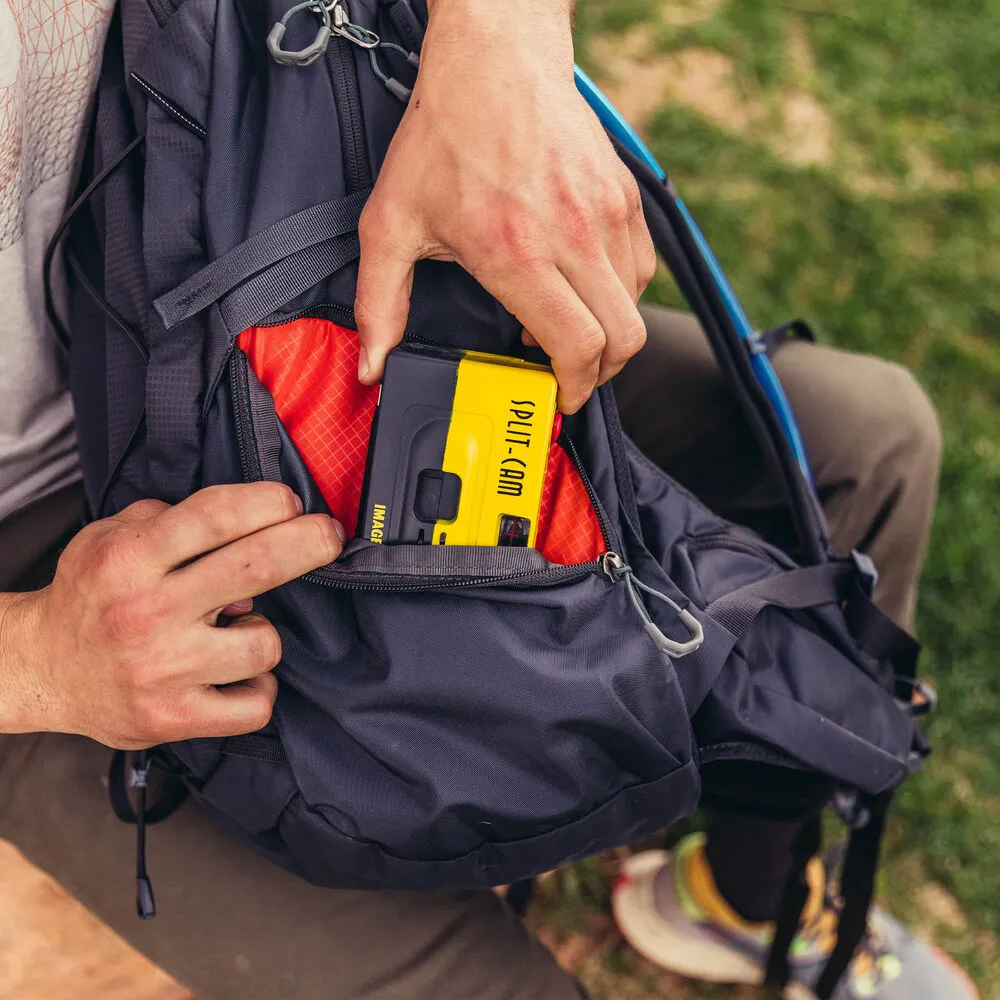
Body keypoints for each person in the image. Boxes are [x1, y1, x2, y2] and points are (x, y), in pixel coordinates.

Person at [0, 0, 976, 997]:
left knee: (867, 443)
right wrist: (41, 659)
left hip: (284, 285)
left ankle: (742, 897)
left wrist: (502, 42)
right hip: (35, 560)